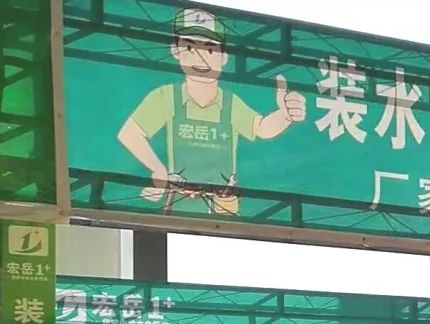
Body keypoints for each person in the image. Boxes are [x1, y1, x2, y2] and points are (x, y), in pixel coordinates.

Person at [117, 8, 307, 215]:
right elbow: (130, 134)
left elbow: (261, 128)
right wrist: (158, 169)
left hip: (223, 206)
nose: (200, 58)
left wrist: (285, 115)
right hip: (179, 205)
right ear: (175, 50)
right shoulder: (166, 97)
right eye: (190, 47)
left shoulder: (230, 103)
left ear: (224, 56)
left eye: (210, 50)